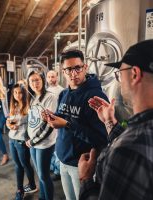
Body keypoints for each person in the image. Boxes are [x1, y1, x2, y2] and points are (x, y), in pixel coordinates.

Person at [78, 39, 153, 200]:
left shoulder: (129, 151)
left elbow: (133, 147)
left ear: (135, 74)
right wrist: (109, 122)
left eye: (119, 74)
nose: (120, 81)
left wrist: (86, 179)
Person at [44, 50, 108, 200]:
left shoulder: (95, 96)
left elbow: (101, 139)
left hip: (81, 164)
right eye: (68, 69)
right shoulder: (63, 94)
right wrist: (51, 117)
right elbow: (63, 118)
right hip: (63, 159)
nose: (73, 73)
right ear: (63, 71)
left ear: (85, 67)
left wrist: (67, 124)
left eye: (77, 68)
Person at [26, 70, 57, 200]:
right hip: (33, 141)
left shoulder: (50, 97)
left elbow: (49, 125)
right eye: (32, 80)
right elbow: (31, 121)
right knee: (40, 174)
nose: (35, 83)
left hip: (44, 143)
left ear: (43, 81)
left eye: (37, 80)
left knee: (44, 175)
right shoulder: (32, 98)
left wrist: (33, 141)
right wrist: (29, 138)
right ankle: (42, 197)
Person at [7, 83, 37, 200]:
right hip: (12, 139)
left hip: (22, 140)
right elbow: (9, 120)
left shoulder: (29, 106)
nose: (17, 95)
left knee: (25, 164)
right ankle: (20, 189)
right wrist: (9, 125)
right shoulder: (13, 105)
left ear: (24, 94)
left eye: (20, 92)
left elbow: (32, 123)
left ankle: (32, 185)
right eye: (15, 92)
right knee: (17, 165)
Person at [46, 70, 64, 181]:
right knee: (50, 146)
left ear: (57, 77)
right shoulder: (45, 91)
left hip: (57, 121)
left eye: (53, 76)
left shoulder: (62, 91)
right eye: (49, 77)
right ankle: (52, 166)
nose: (51, 79)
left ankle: (58, 171)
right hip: (47, 122)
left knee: (57, 148)